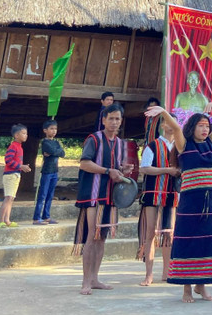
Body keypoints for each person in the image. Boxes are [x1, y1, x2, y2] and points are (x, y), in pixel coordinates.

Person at [152, 102, 212, 302]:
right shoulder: (184, 144)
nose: (205, 129)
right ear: (192, 127)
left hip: (209, 201)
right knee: (187, 242)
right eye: (201, 125)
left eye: (206, 126)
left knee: (207, 242)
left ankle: (201, 286)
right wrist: (163, 112)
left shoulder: (210, 143)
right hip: (189, 203)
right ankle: (186, 288)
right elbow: (176, 127)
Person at [74, 104, 133, 295]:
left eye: (118, 119)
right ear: (104, 119)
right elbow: (84, 163)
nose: (115, 122)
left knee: (102, 238)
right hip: (94, 195)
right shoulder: (94, 139)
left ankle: (95, 278)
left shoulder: (121, 144)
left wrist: (123, 170)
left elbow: (116, 167)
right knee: (92, 235)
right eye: (111, 118)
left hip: (111, 196)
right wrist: (108, 171)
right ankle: (85, 281)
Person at [138, 108, 180, 286]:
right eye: (169, 121)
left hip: (171, 194)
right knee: (150, 233)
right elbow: (144, 168)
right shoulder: (153, 145)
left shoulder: (179, 147)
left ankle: (166, 272)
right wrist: (168, 170)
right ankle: (149, 274)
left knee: (169, 233)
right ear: (163, 124)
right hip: (153, 193)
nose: (172, 124)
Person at [0, 124, 31, 228]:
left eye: (26, 133)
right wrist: (21, 166)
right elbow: (8, 160)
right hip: (10, 175)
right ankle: (1, 221)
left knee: (11, 198)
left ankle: (7, 220)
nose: (26, 135)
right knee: (8, 198)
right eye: (23, 133)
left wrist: (22, 167)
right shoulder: (13, 146)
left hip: (15, 175)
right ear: (16, 135)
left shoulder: (19, 147)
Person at [33, 119, 64, 225]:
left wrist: (54, 152)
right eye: (51, 128)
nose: (54, 131)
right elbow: (55, 151)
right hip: (46, 171)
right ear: (45, 130)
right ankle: (37, 217)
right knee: (42, 195)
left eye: (55, 128)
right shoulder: (45, 142)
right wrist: (56, 152)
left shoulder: (56, 142)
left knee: (50, 195)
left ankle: (46, 216)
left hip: (55, 171)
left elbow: (62, 153)